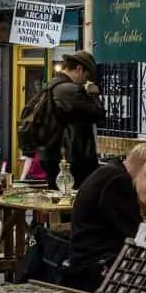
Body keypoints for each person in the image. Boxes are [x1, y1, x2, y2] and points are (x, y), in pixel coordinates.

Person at [65, 144, 146, 292]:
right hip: (95, 266)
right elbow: (134, 234)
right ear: (143, 169)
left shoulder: (110, 172)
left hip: (86, 258)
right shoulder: (118, 181)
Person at [40, 51, 105, 189]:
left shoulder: (52, 86)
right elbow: (98, 114)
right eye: (87, 76)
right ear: (79, 69)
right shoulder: (70, 90)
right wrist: (93, 94)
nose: (85, 81)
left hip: (54, 157)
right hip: (71, 161)